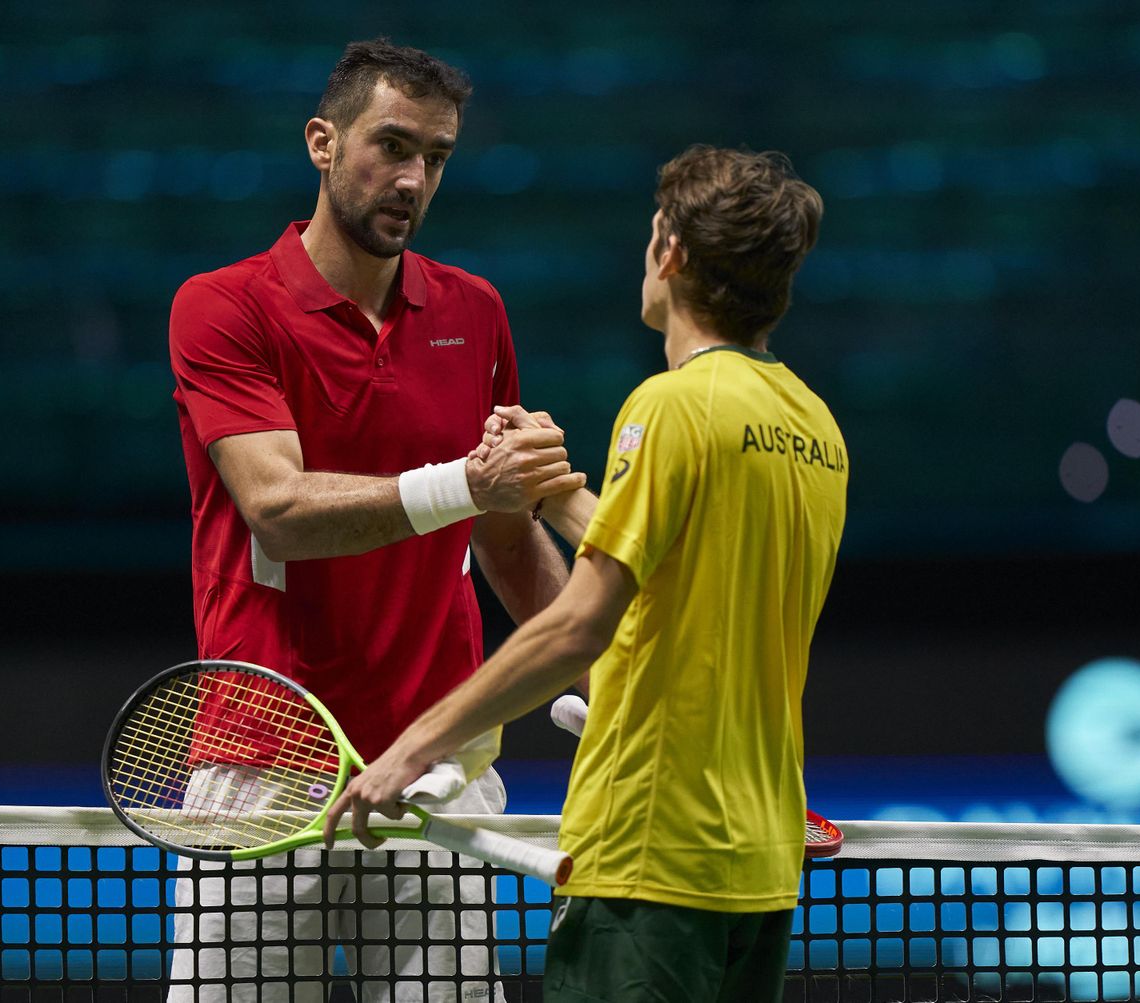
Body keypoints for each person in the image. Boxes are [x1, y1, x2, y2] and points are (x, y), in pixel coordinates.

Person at [326, 144, 843, 1003]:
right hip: (757, 866)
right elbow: (686, 567)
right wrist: (555, 492)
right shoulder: (813, 424)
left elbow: (578, 625)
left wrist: (415, 744)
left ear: (670, 252)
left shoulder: (671, 404)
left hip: (649, 857)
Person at [166, 39, 583, 1003]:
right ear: (322, 140)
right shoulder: (223, 308)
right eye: (391, 146)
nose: (412, 179)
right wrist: (469, 485)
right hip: (266, 770)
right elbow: (278, 511)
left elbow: (508, 536)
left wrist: (603, 670)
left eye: (435, 157)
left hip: (436, 764)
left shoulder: (473, 311)